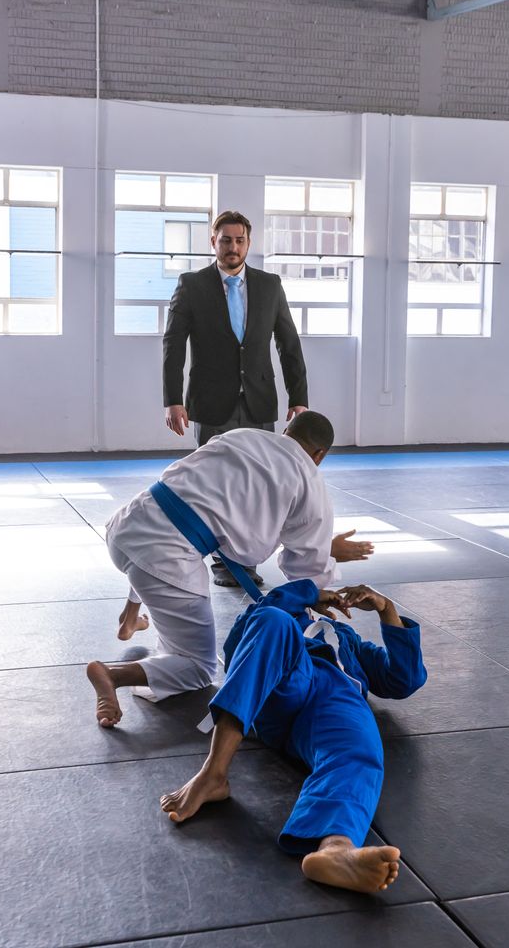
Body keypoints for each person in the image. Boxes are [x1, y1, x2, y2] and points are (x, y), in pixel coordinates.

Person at [87, 411, 374, 726]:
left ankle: (131, 617)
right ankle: (113, 675)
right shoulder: (309, 482)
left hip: (127, 524)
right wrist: (326, 556)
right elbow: (306, 570)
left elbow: (216, 506)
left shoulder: (241, 436)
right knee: (197, 668)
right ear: (320, 455)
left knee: (163, 547)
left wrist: (321, 545)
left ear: (287, 430)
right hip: (163, 558)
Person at [160, 581, 427, 895]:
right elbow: (242, 653)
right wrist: (307, 595)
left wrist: (387, 610)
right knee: (274, 619)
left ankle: (337, 850)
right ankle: (213, 773)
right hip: (286, 687)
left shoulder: (348, 640)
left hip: (338, 701)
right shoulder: (271, 620)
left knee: (357, 752)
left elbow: (404, 680)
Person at [163, 210, 309, 587]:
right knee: (217, 486)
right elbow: (173, 344)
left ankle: (248, 561)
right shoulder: (191, 285)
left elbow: (289, 344)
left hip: (259, 400)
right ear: (213, 242)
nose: (233, 247)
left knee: (260, 486)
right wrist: (173, 399)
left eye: (239, 240)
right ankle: (224, 565)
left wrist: (299, 398)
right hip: (213, 402)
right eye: (225, 240)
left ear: (249, 242)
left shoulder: (270, 285)